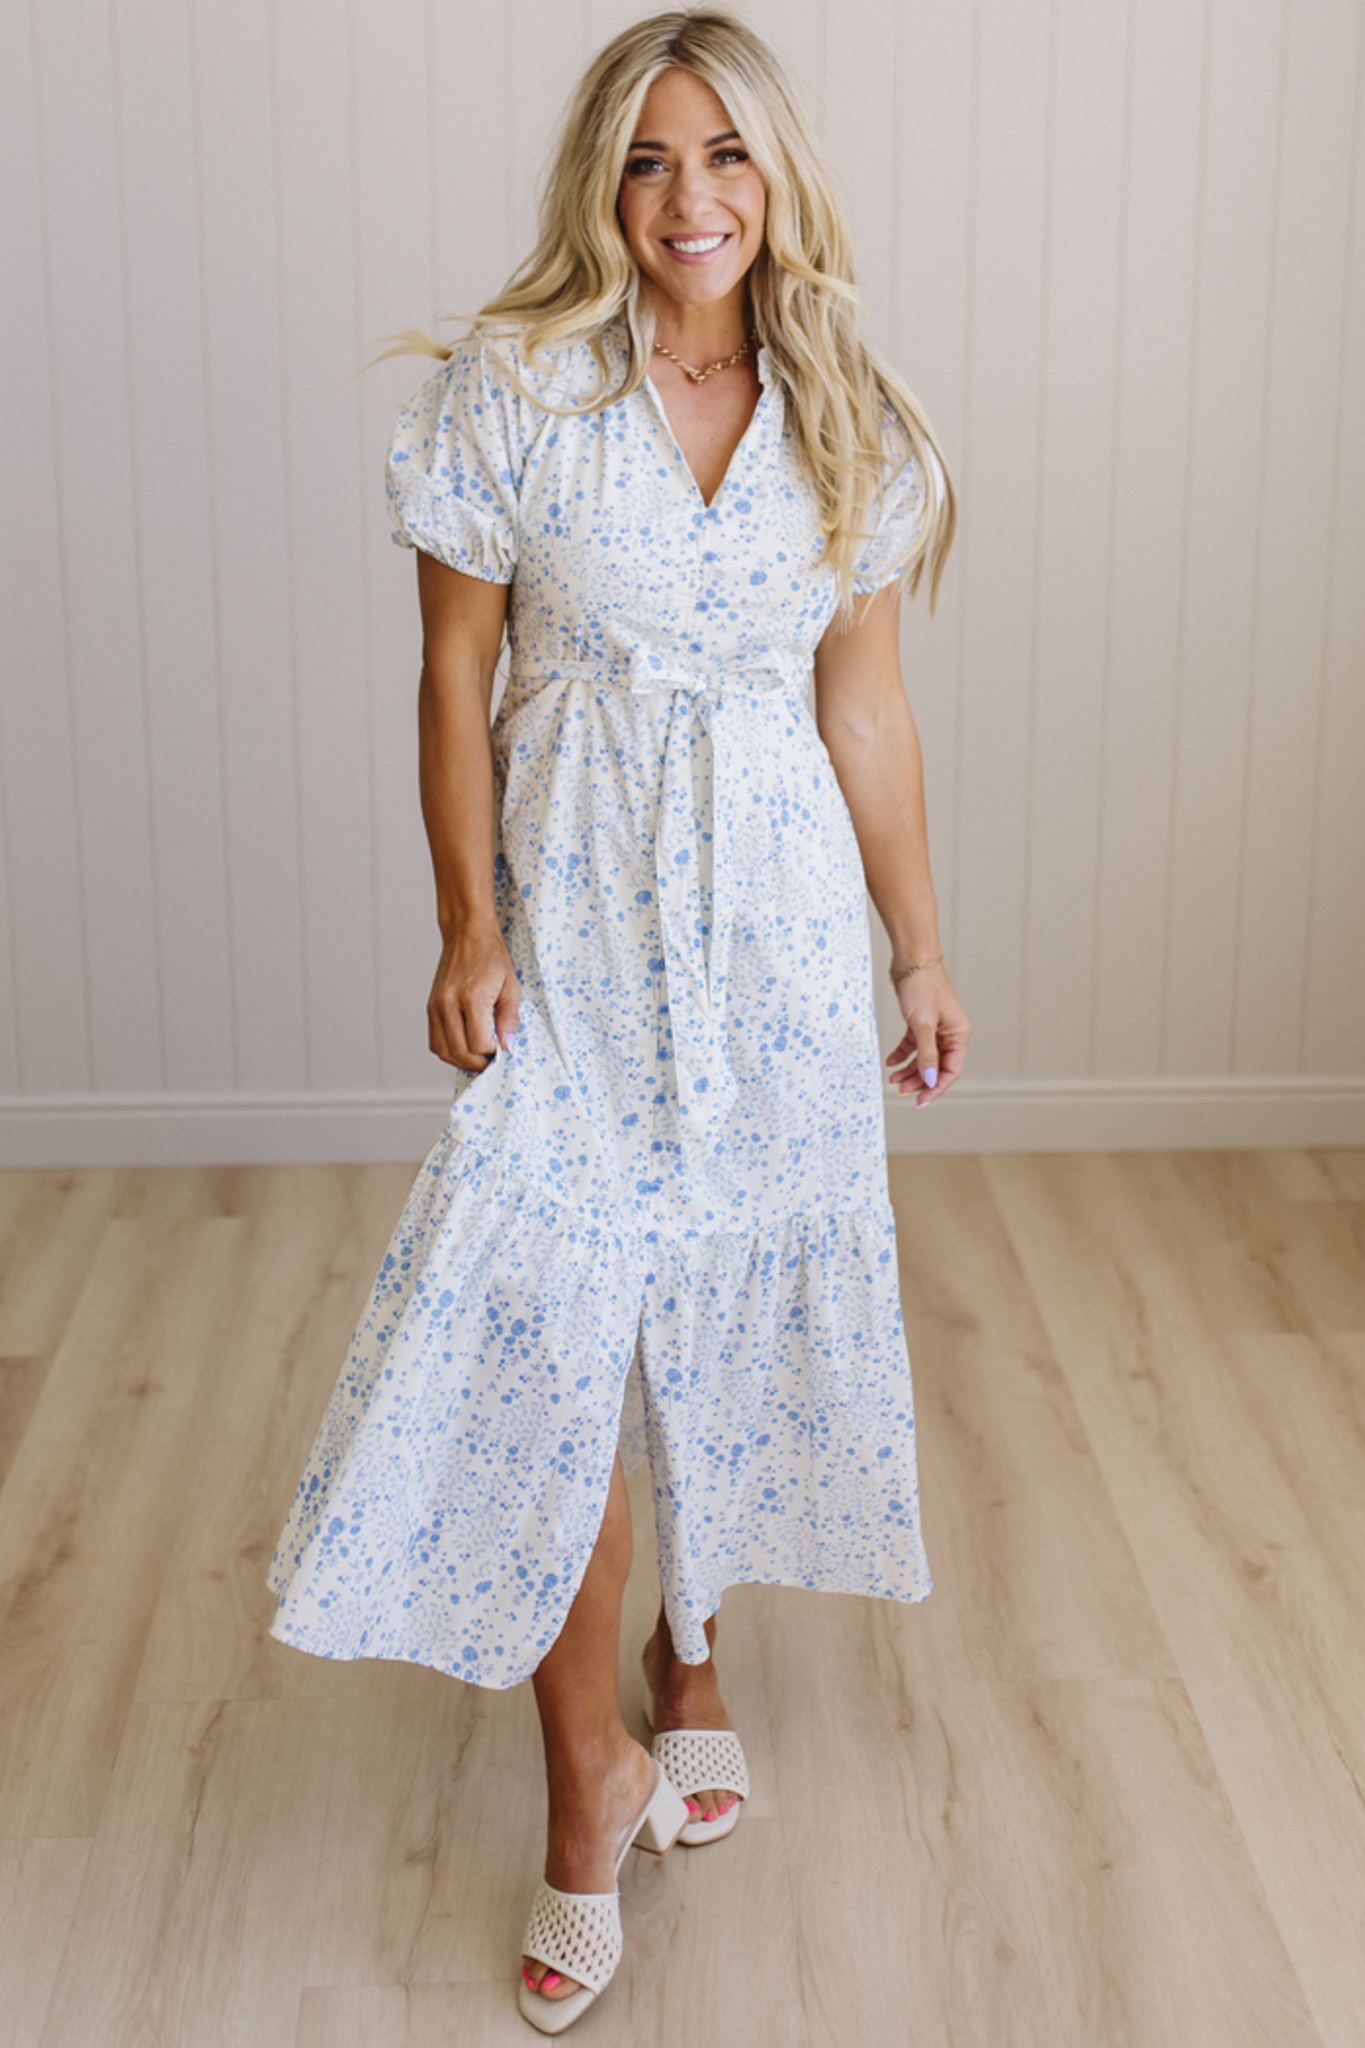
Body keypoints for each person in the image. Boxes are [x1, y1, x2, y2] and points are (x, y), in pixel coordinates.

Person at [266, 7, 970, 2033]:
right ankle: (588, 1793)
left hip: (766, 937)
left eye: (725, 158)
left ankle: (698, 1652)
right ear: (604, 178)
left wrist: (916, 946)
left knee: (717, 1307)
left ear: (778, 180)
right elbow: (452, 680)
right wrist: (462, 921)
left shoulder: (847, 411)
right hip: (572, 923)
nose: (690, 201)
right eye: (651, 159)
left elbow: (864, 706)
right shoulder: (516, 394)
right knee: (552, 1319)